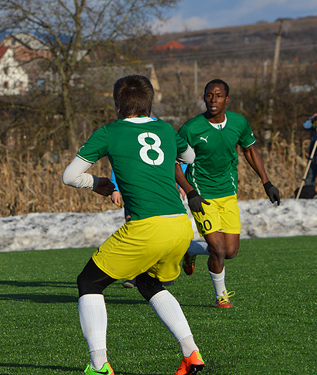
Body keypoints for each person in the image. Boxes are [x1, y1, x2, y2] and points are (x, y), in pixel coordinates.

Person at [63, 75, 204, 375]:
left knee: (89, 283)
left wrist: (98, 182)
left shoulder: (109, 132)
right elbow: (190, 156)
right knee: (148, 283)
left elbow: (70, 176)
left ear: (116, 106)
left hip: (147, 227)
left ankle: (99, 365)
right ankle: (191, 353)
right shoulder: (165, 128)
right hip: (180, 224)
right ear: (150, 102)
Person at [176, 79, 280, 308]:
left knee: (230, 252)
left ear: (227, 99)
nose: (213, 100)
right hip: (202, 195)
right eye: (209, 95)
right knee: (218, 249)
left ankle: (189, 249)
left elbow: (250, 150)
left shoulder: (239, 123)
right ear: (204, 97)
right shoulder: (191, 128)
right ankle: (221, 295)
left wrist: (267, 183)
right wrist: (190, 191)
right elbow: (174, 163)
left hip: (228, 194)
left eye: (218, 95)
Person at [300, 102, 317, 195]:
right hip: (314, 151)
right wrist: (312, 118)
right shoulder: (315, 120)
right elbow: (305, 126)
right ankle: (308, 192)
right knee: (310, 172)